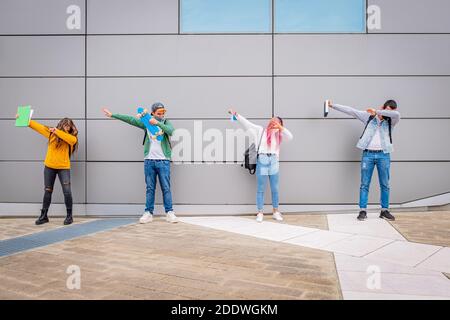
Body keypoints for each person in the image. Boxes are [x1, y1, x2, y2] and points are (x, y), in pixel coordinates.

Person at [102, 103, 177, 223]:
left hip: (163, 161)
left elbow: (172, 131)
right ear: (152, 113)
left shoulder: (166, 122)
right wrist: (113, 115)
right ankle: (148, 213)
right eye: (159, 113)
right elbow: (131, 120)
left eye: (163, 113)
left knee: (166, 188)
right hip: (149, 161)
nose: (161, 115)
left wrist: (157, 123)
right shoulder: (145, 124)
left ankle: (169, 212)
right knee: (150, 188)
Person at [327, 100, 401, 221]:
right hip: (368, 154)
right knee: (364, 184)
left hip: (384, 155)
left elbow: (397, 114)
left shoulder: (391, 121)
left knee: (385, 184)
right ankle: (362, 211)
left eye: (390, 111)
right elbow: (351, 111)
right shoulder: (369, 117)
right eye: (386, 110)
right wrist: (332, 105)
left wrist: (378, 111)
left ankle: (384, 211)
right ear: (383, 107)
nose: (387, 113)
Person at [228, 109, 293, 223]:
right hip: (262, 159)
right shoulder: (260, 130)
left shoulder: (279, 135)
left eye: (276, 122)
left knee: (275, 188)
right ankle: (260, 212)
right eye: (272, 121)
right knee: (260, 188)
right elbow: (247, 124)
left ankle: (275, 212)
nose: (273, 123)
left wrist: (280, 128)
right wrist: (236, 115)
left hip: (273, 160)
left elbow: (290, 137)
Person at [16, 115, 78, 225]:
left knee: (67, 192)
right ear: (61, 124)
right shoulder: (51, 134)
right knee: (47, 191)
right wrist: (22, 118)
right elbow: (37, 126)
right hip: (49, 167)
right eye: (65, 125)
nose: (67, 127)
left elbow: (70, 139)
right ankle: (44, 216)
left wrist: (57, 131)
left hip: (64, 168)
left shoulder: (72, 138)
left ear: (71, 127)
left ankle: (69, 216)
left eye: (68, 126)